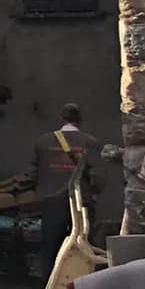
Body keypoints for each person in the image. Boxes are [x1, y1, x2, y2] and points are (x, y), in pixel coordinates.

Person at [33, 103, 104, 264]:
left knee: (51, 249)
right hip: (81, 204)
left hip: (52, 203)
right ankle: (79, 284)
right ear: (80, 120)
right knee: (83, 249)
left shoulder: (43, 142)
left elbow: (32, 174)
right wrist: (93, 195)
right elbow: (98, 176)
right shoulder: (90, 142)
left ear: (60, 119)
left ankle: (50, 284)